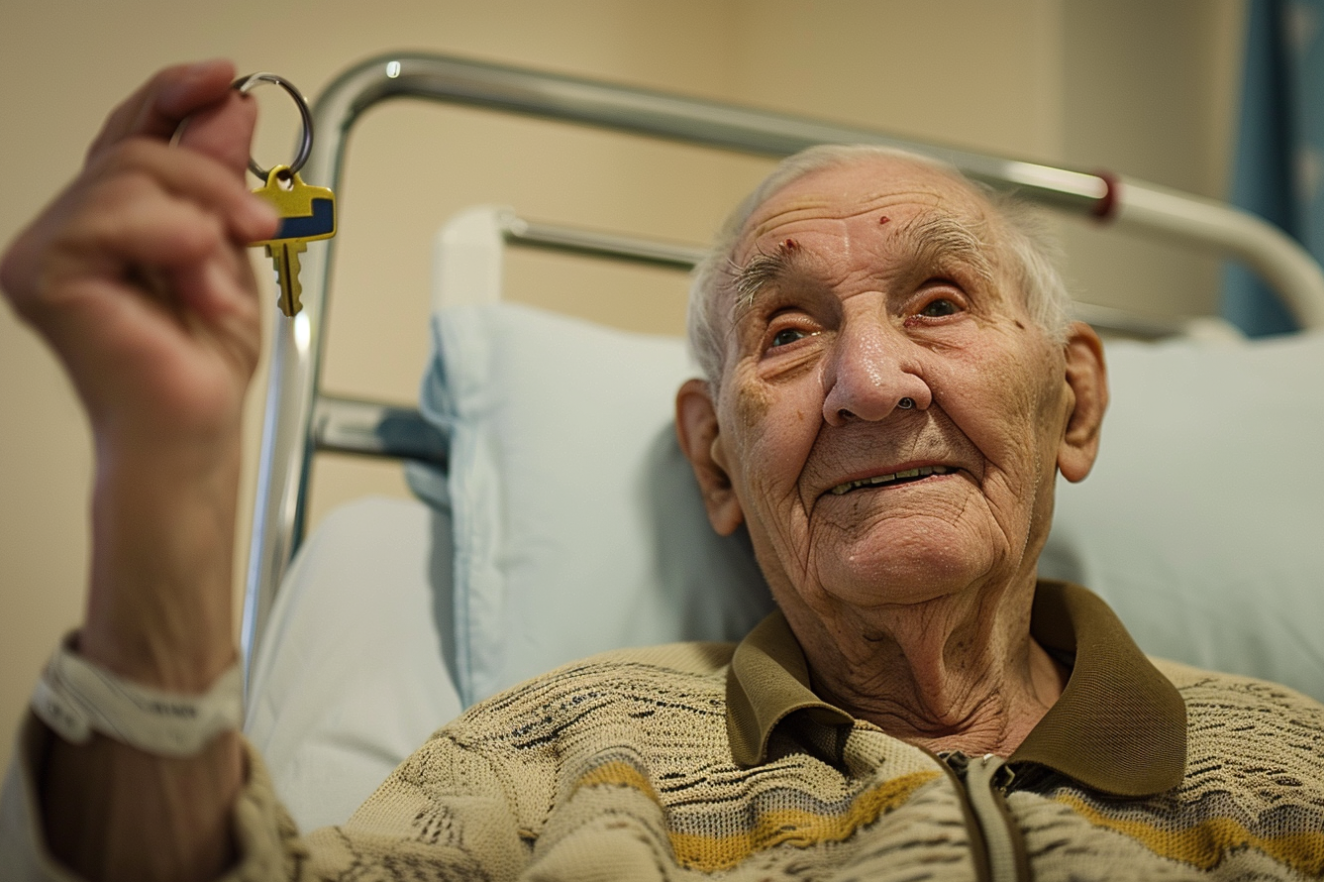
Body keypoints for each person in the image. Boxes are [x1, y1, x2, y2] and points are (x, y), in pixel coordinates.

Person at [2, 60, 1323, 882]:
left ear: (1074, 401)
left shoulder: (1293, 768)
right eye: (790, 331)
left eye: (936, 302)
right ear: (717, 460)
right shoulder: (559, 754)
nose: (870, 382)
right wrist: (164, 475)